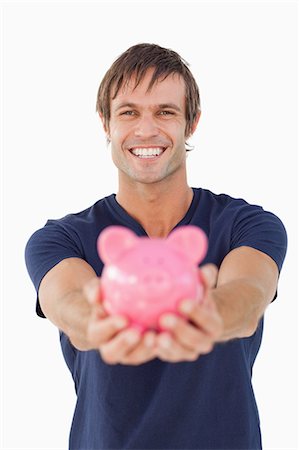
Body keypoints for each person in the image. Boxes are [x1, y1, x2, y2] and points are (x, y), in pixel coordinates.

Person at [25, 43, 287, 450]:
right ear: (106, 123)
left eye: (165, 112)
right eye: (129, 112)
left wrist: (208, 314)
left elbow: (249, 294)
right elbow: (67, 301)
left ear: (192, 123)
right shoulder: (61, 238)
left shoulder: (247, 224)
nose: (146, 130)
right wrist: (96, 321)